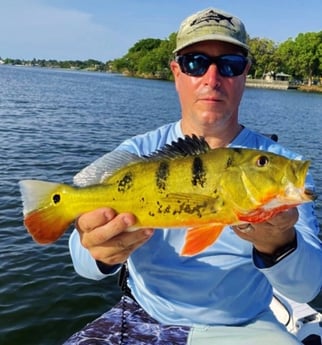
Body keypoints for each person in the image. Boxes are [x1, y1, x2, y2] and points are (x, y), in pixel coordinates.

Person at [64, 7, 322, 345]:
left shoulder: (282, 166)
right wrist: (97, 249)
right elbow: (83, 261)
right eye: (195, 63)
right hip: (142, 314)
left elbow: (307, 286)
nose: (212, 79)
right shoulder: (138, 154)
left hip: (242, 325)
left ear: (245, 73)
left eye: (230, 65)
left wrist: (278, 243)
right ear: (176, 72)